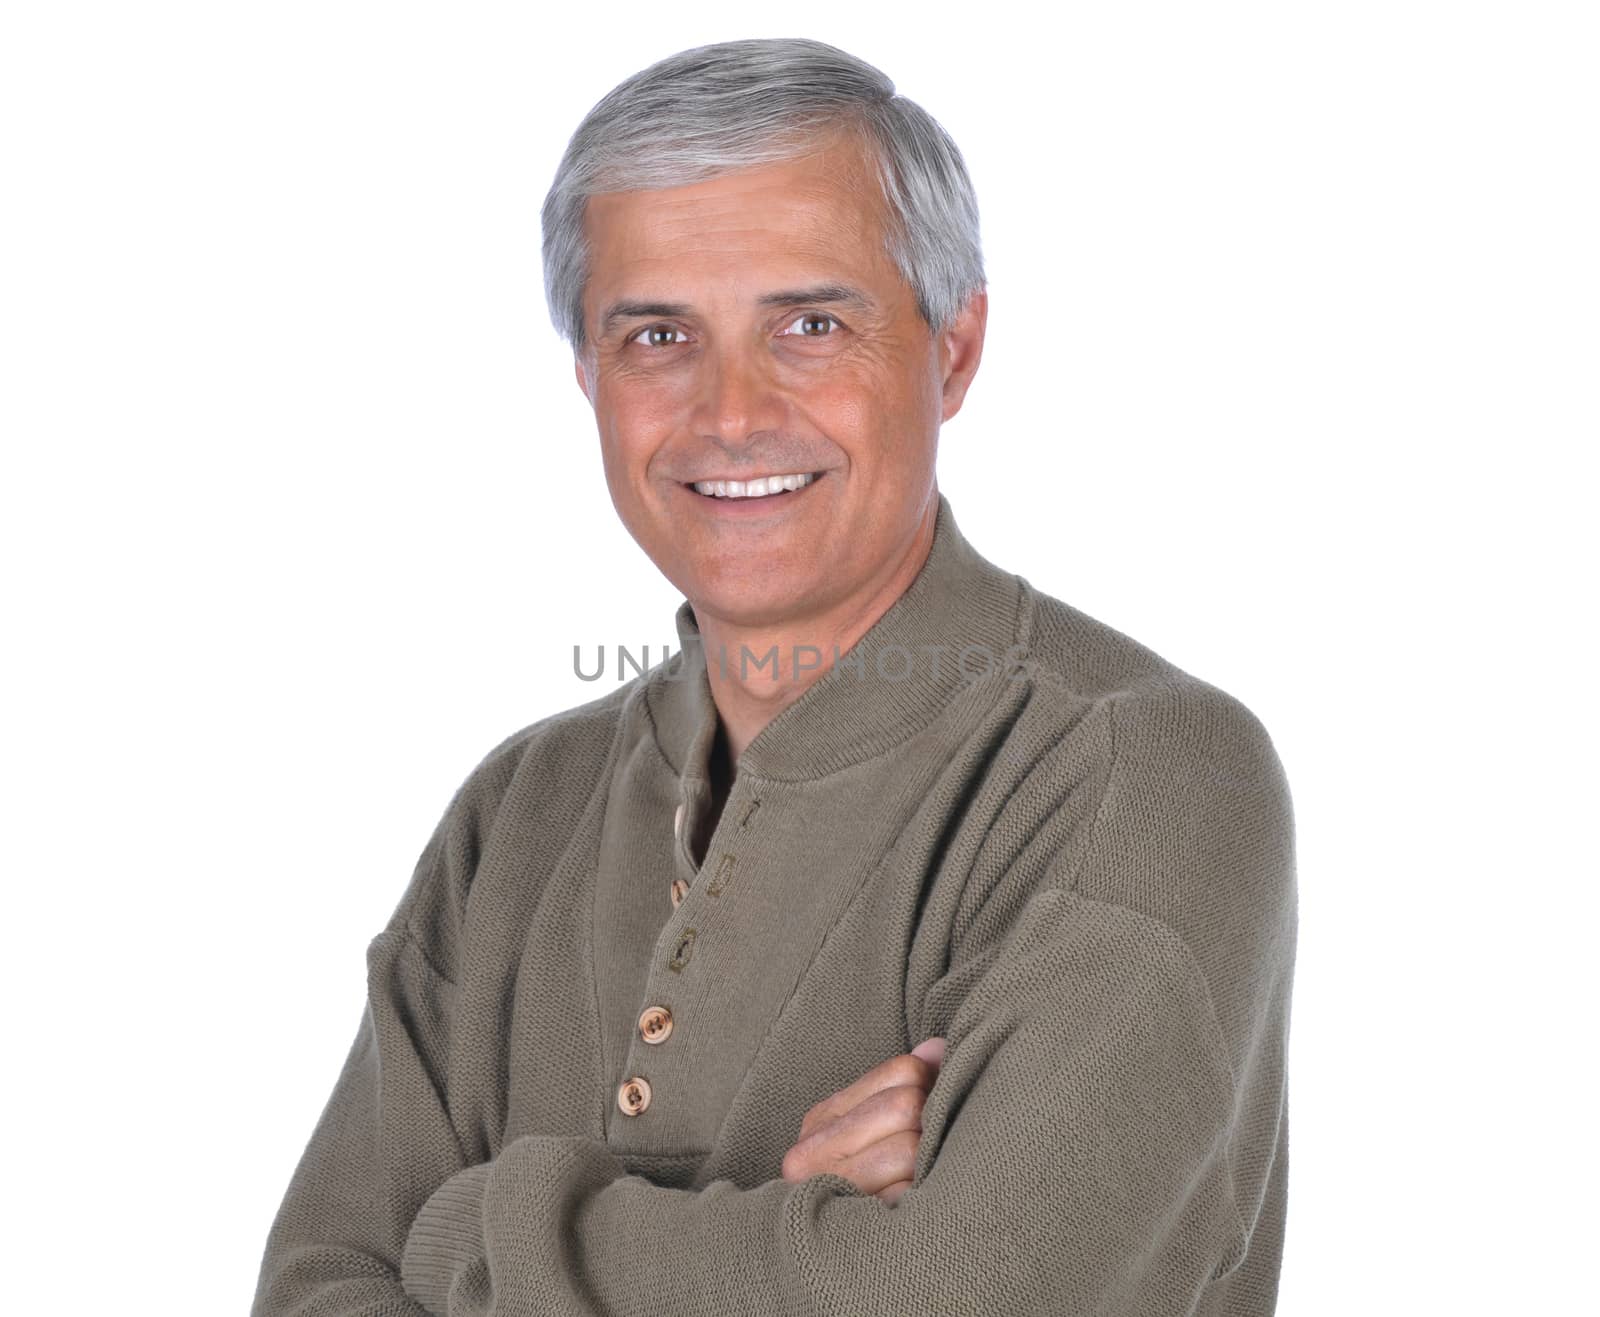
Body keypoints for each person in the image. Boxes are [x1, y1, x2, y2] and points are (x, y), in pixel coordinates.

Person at [251, 36, 1298, 1316]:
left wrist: (478, 1226)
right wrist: (814, 1251)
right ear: (587, 377)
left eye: (808, 324)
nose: (729, 413)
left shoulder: (1139, 773)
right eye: (655, 335)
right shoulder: (516, 815)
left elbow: (956, 1297)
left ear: (954, 349)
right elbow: (314, 1290)